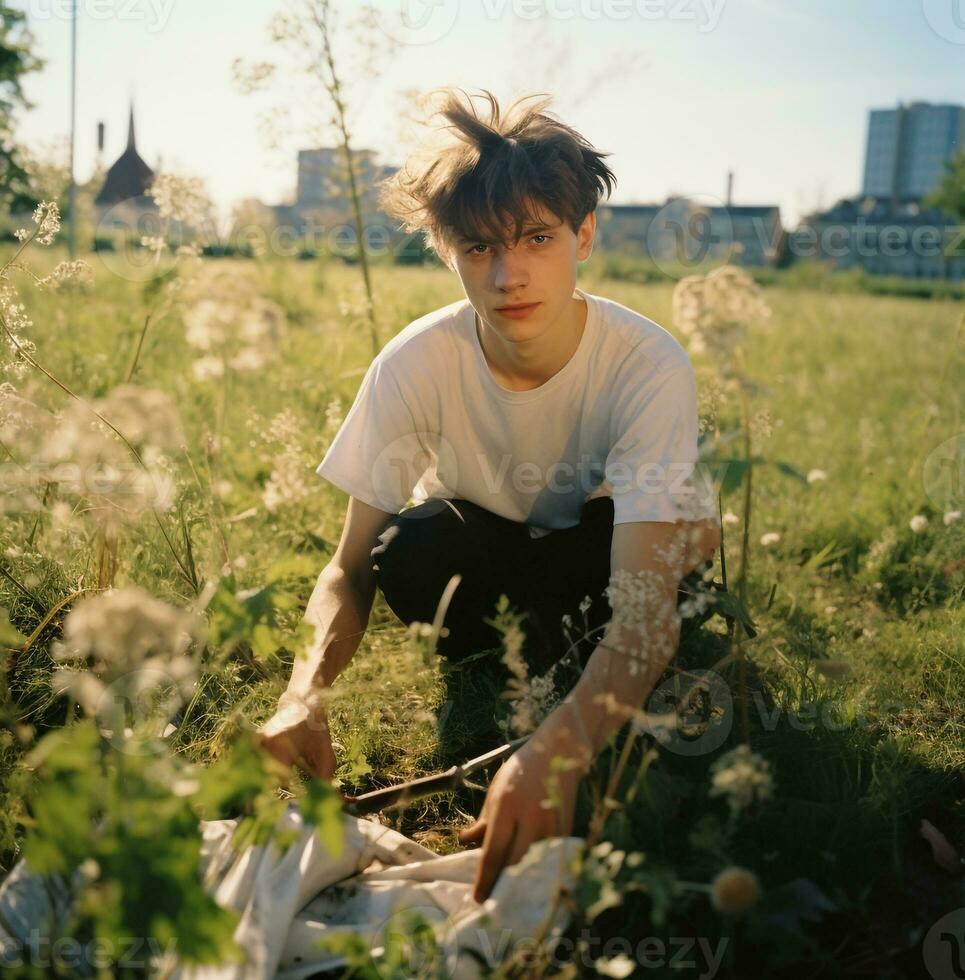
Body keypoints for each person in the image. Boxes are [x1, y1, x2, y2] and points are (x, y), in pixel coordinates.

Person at [259, 88, 722, 904]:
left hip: (605, 543)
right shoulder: (413, 362)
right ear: (447, 253)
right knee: (406, 550)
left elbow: (643, 604)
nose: (508, 275)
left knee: (666, 564)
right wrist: (304, 694)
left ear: (583, 235)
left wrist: (555, 753)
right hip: (488, 547)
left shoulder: (646, 363)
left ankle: (579, 654)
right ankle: (550, 645)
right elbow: (345, 570)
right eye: (478, 248)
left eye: (537, 237)